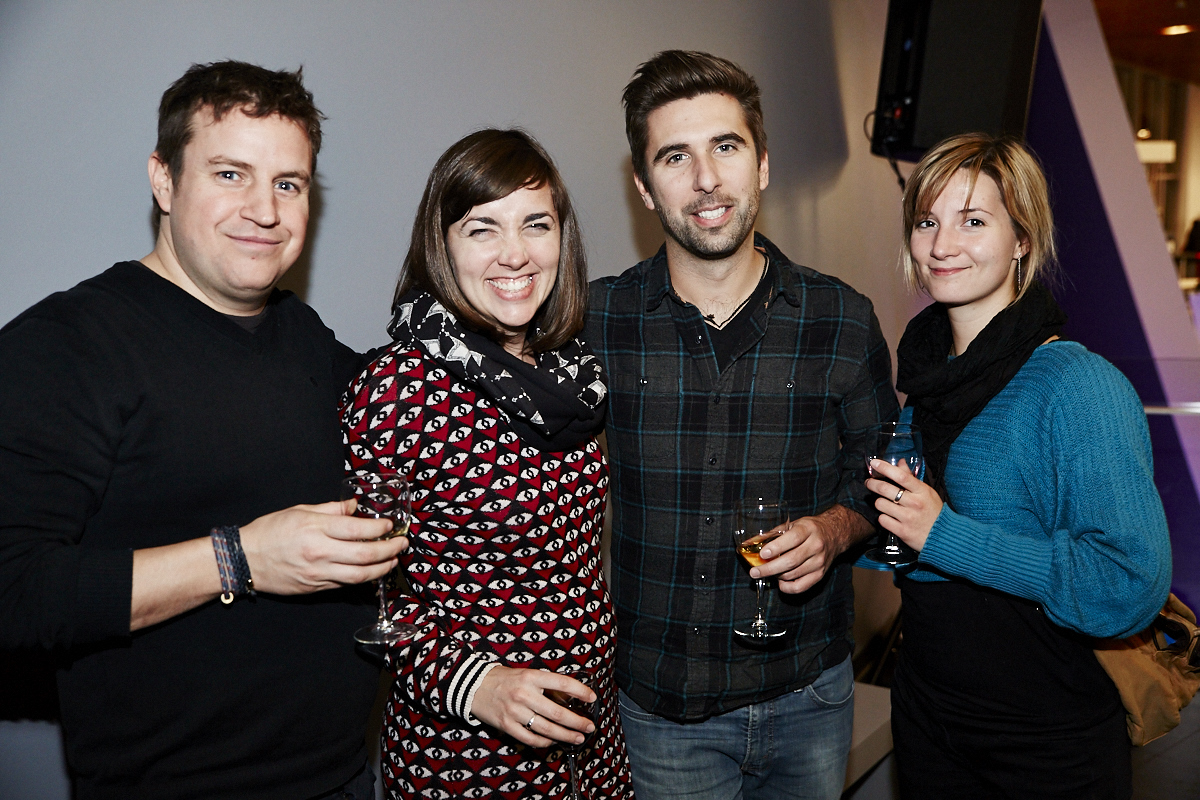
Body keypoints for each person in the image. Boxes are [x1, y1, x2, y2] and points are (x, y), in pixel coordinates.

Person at [0, 61, 406, 799]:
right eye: (230, 174)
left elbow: (408, 403)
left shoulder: (301, 331)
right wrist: (239, 559)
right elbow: (13, 591)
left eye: (289, 183)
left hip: (343, 776)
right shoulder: (70, 344)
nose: (265, 210)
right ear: (163, 179)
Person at [585, 51, 898, 799]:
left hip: (811, 697)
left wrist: (834, 529)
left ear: (760, 164)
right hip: (661, 713)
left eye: (726, 147)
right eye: (674, 156)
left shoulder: (842, 320)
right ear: (643, 186)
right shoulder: (594, 322)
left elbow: (881, 472)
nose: (705, 179)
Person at [871, 133, 1173, 799]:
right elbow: (910, 543)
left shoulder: (1076, 385)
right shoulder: (925, 381)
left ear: (1021, 240)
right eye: (928, 221)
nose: (943, 244)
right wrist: (836, 532)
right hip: (928, 721)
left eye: (973, 221)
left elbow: (1129, 583)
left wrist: (945, 535)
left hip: (1046, 742)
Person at [342, 128, 634, 800]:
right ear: (441, 244)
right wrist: (477, 685)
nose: (515, 254)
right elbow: (368, 597)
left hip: (589, 733)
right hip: (469, 751)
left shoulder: (570, 370)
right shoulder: (402, 389)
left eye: (536, 223)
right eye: (482, 228)